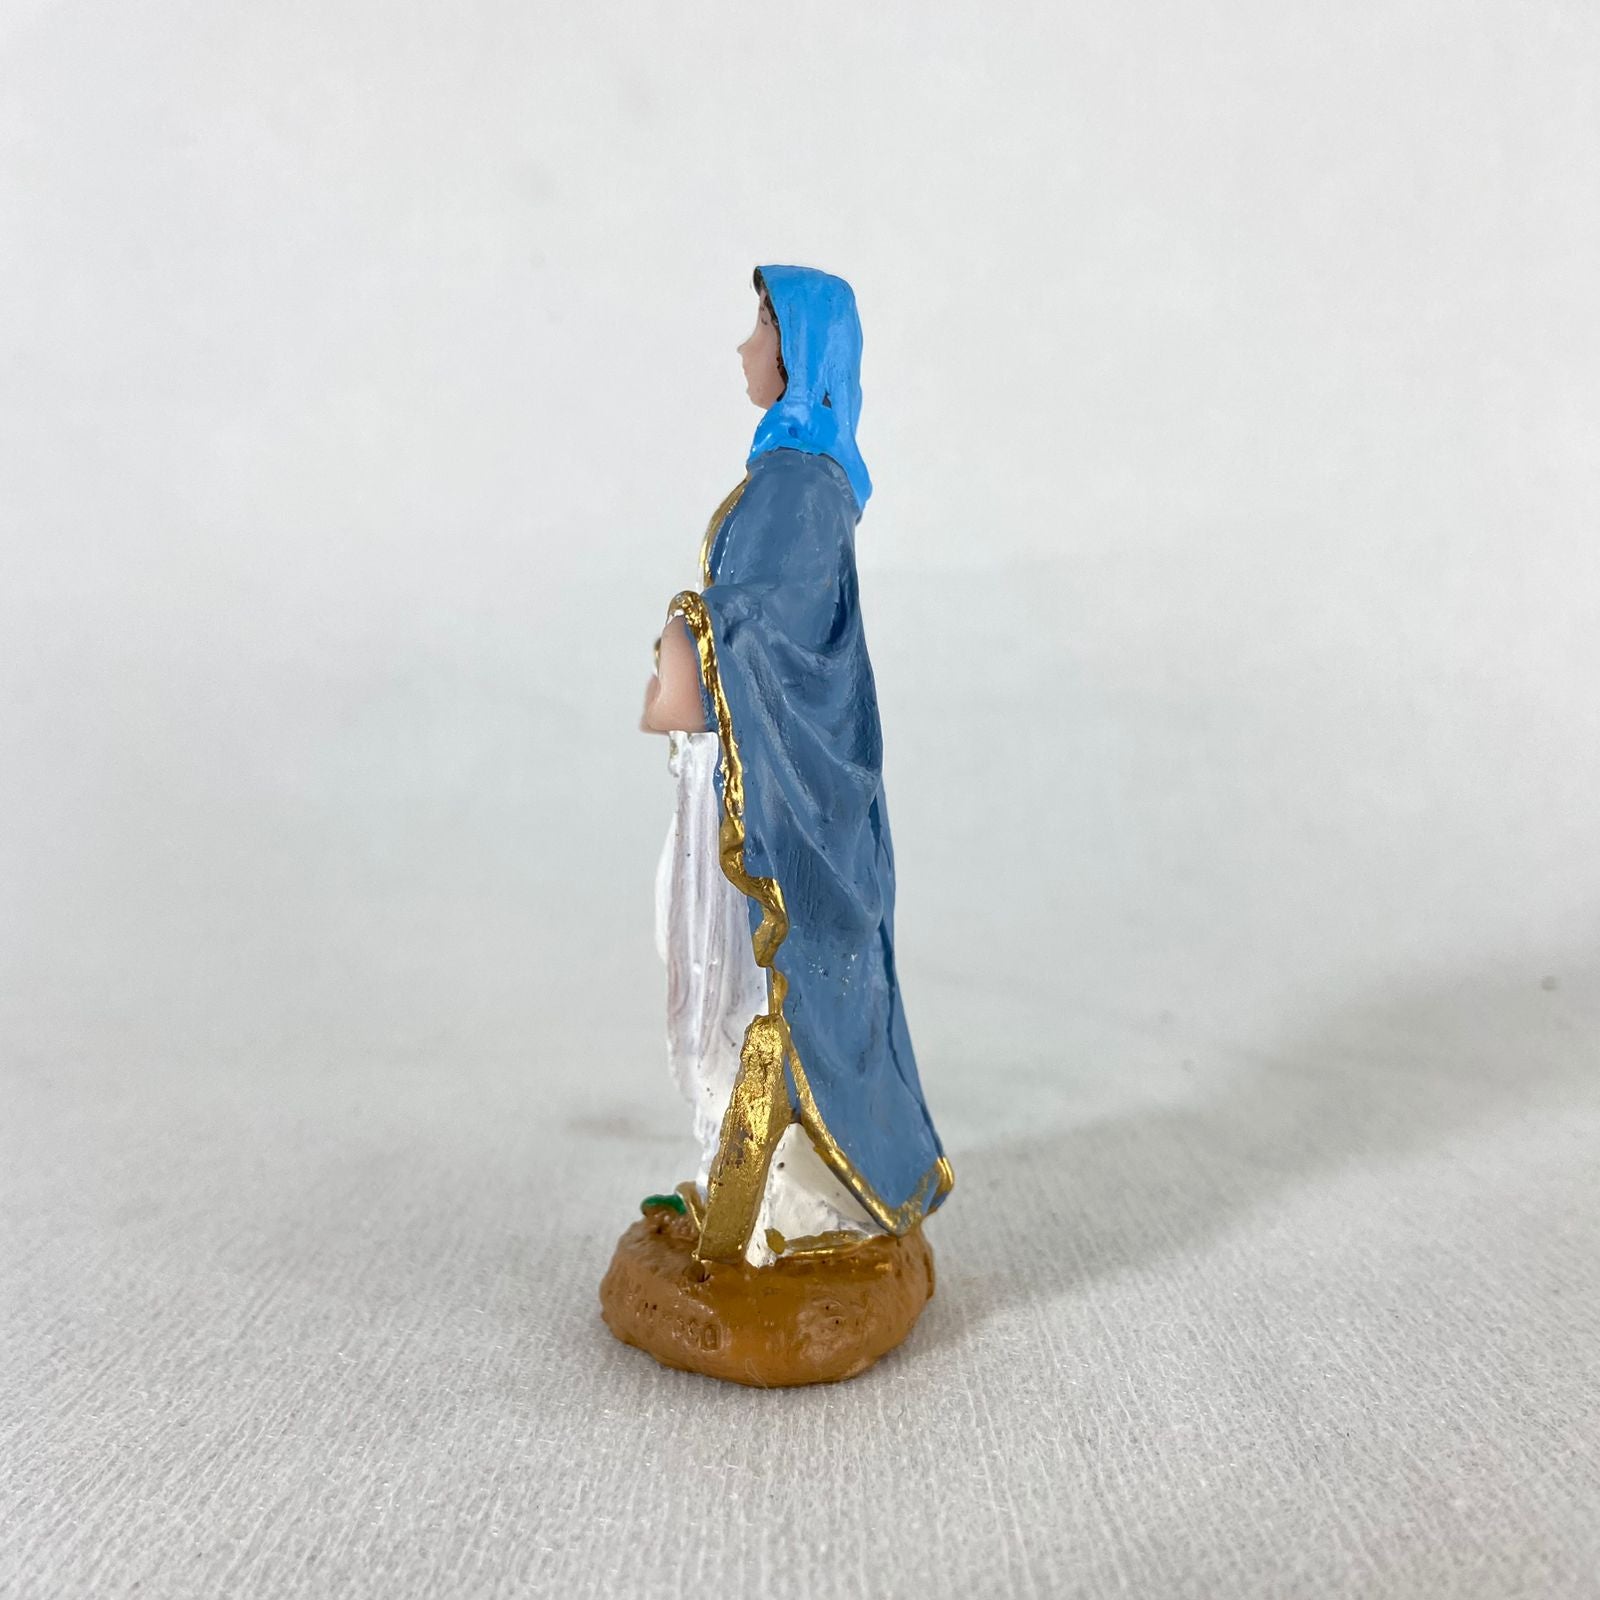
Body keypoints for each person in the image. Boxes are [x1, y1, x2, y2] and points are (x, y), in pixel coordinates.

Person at [640, 265, 952, 1269]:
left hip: (788, 795)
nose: (744, 348)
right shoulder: (792, 478)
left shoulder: (798, 488)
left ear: (800, 351)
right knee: (737, 977)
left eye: (761, 329)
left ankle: (800, 1204)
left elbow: (775, 635)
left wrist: (687, 637)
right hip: (756, 770)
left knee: (774, 984)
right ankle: (750, 1188)